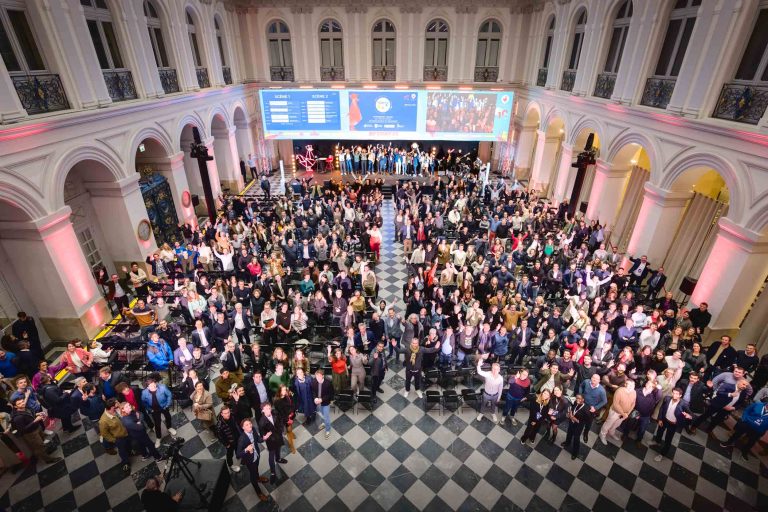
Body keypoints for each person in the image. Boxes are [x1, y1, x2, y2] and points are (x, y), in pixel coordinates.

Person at [10, 396, 61, 464]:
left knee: (41, 443)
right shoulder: (18, 418)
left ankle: (43, 453)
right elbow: (23, 430)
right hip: (31, 433)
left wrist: (37, 414)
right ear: (15, 407)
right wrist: (35, 421)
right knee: (39, 447)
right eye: (19, 403)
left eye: (22, 401)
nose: (22, 403)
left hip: (37, 428)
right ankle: (48, 460)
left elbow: (30, 414)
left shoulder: (26, 407)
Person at [652, 388, 693, 461]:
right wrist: (660, 419)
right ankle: (657, 442)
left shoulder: (684, 403)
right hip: (664, 420)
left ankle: (662, 454)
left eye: (677, 394)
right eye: (673, 393)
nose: (674, 395)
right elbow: (662, 408)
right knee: (659, 431)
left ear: (680, 395)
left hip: (673, 424)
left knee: (668, 440)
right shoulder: (667, 398)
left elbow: (691, 414)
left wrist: (688, 416)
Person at [236, 418, 270, 502]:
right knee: (252, 476)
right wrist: (246, 449)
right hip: (249, 460)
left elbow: (258, 439)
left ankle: (258, 478)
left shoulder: (253, 429)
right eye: (247, 425)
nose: (250, 425)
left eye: (250, 423)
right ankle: (259, 493)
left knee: (256, 469)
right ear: (243, 428)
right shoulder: (242, 439)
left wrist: (264, 438)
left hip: (256, 455)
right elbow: (237, 455)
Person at [141, 378, 177, 445]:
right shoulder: (144, 393)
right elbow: (143, 402)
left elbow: (169, 395)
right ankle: (158, 437)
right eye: (151, 386)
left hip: (164, 407)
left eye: (154, 384)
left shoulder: (162, 387)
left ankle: (169, 427)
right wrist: (149, 409)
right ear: (148, 387)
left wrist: (167, 404)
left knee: (168, 417)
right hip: (154, 410)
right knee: (157, 424)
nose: (154, 387)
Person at [99, 398, 131, 472]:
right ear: (112, 407)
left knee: (128, 444)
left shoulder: (116, 410)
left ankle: (130, 452)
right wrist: (114, 440)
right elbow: (104, 434)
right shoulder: (103, 421)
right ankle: (126, 462)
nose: (118, 404)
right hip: (119, 438)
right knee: (122, 450)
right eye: (116, 404)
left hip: (126, 432)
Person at [599, 380, 636, 444]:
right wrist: (623, 413)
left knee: (616, 424)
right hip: (615, 412)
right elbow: (616, 404)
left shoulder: (634, 392)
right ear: (625, 384)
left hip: (624, 414)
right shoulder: (619, 391)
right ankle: (602, 434)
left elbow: (633, 403)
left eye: (632, 385)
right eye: (629, 385)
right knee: (608, 424)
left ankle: (611, 432)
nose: (630, 387)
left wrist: (627, 413)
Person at [561, 394, 592, 459]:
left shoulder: (586, 409)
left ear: (583, 400)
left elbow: (588, 421)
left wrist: (575, 419)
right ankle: (567, 443)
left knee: (576, 438)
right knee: (569, 433)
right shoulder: (575, 402)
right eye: (577, 398)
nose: (577, 399)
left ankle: (575, 453)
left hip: (579, 426)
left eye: (579, 398)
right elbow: (573, 409)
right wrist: (570, 413)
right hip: (571, 423)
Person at [475, 354, 503, 424]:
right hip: (486, 394)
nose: (494, 370)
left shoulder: (500, 378)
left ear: (499, 370)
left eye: (496, 369)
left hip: (495, 395)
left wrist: (499, 397)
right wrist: (478, 365)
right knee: (483, 404)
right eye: (493, 368)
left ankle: (493, 413)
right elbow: (479, 372)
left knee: (493, 405)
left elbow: (500, 388)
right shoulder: (488, 374)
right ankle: (481, 413)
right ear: (491, 369)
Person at [216, 405, 241, 473]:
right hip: (230, 442)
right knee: (230, 454)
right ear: (221, 414)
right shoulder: (220, 425)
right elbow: (220, 437)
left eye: (228, 412)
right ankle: (230, 465)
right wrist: (226, 444)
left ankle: (238, 455)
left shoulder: (232, 415)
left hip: (237, 437)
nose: (228, 414)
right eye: (225, 413)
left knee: (238, 448)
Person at [311, 369, 334, 439]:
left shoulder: (328, 383)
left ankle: (328, 430)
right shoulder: (314, 381)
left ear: (323, 376)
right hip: (318, 402)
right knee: (322, 414)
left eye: (319, 376)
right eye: (316, 376)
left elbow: (330, 394)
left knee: (326, 417)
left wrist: (322, 399)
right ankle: (324, 423)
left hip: (325, 402)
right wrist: (315, 398)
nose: (317, 378)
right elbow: (313, 391)